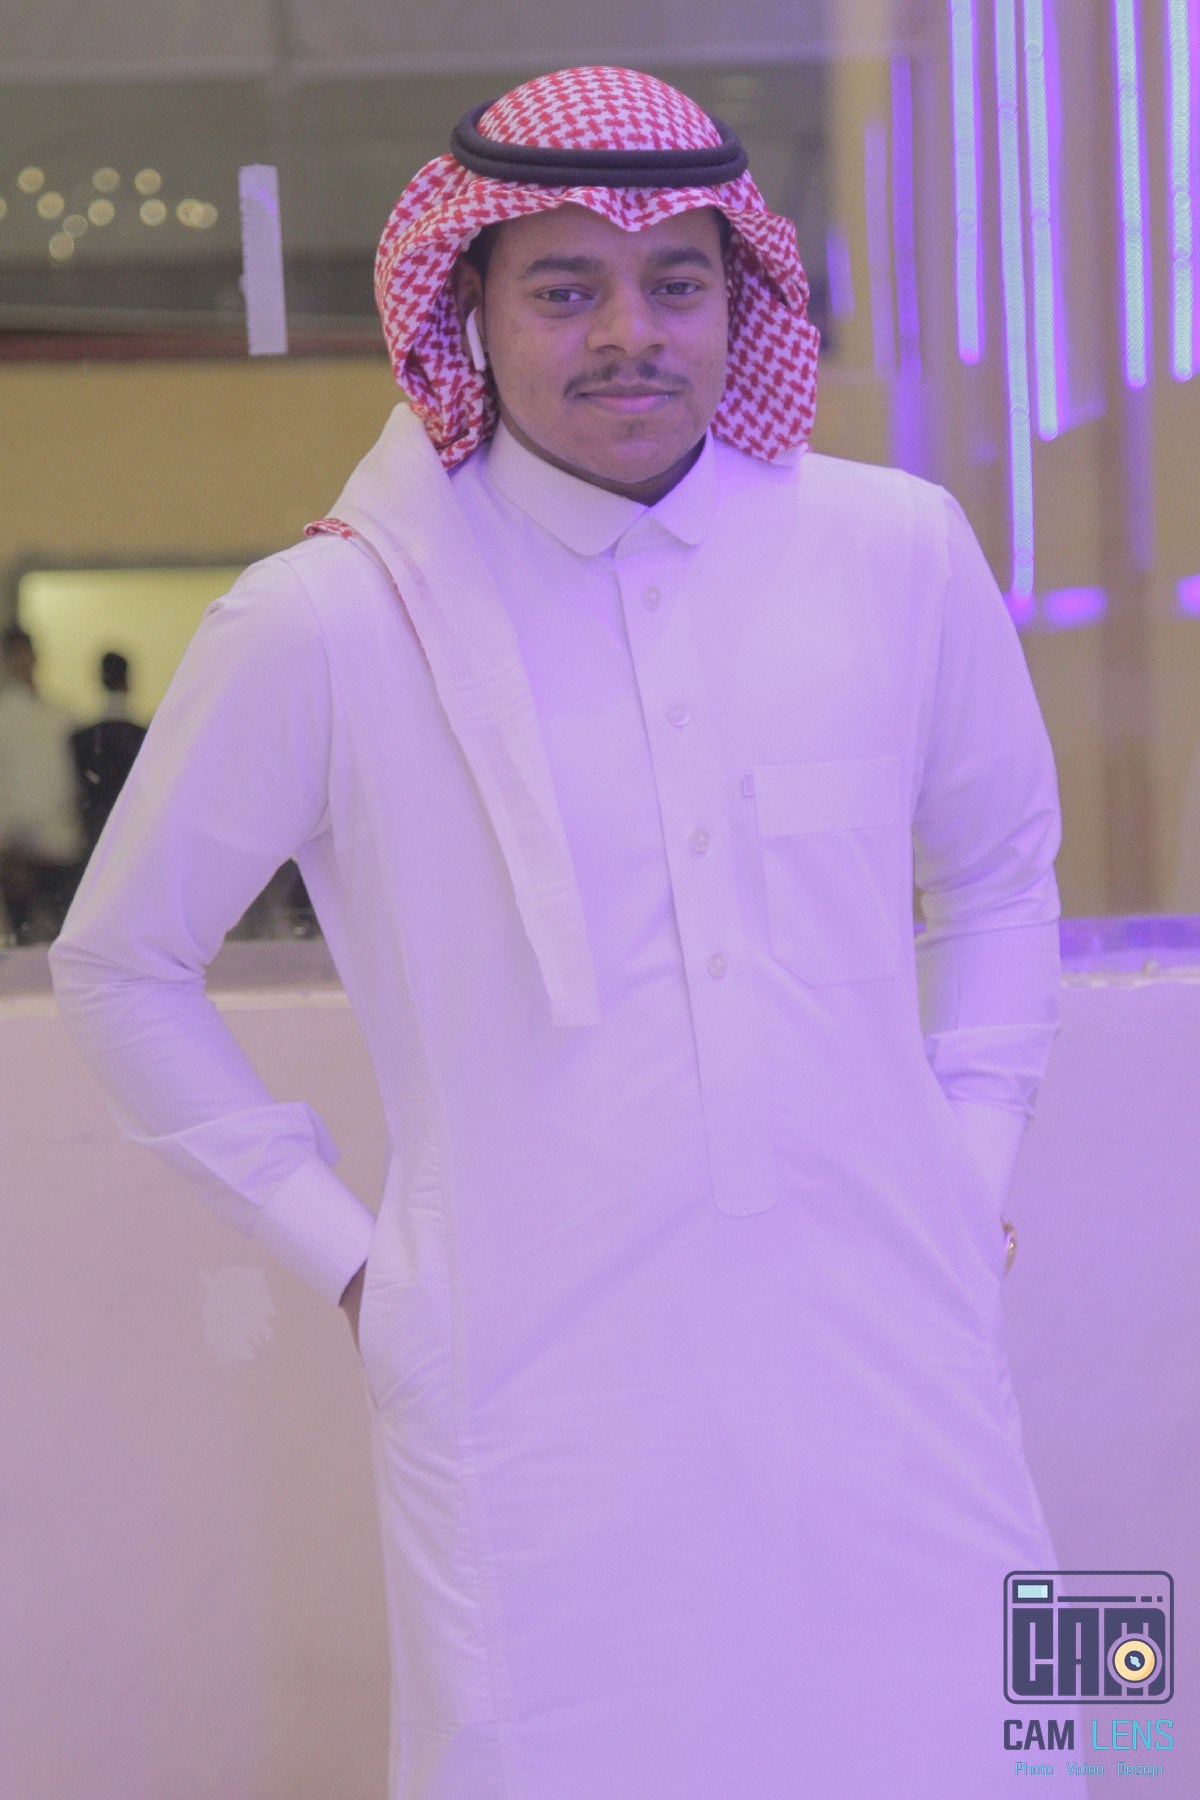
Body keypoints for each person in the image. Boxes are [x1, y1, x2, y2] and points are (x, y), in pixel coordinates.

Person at [49, 68, 1071, 1799]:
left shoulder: (896, 551)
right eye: (565, 287)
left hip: (893, 1342)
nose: (629, 334)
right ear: (469, 301)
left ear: (740, 299)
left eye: (677, 282)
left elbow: (1000, 874)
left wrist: (968, 1163)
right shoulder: (333, 617)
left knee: (990, 1741)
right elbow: (118, 963)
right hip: (536, 1380)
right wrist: (359, 1266)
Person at [0, 625, 87, 941]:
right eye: (15, 654)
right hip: (16, 851)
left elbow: (70, 780)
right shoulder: (5, 716)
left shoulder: (60, 715)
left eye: (26, 653)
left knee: (64, 937)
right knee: (24, 941)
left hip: (61, 844)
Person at [70, 650, 148, 856]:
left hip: (96, 832)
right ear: (127, 680)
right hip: (133, 831)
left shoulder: (82, 738)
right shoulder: (143, 736)